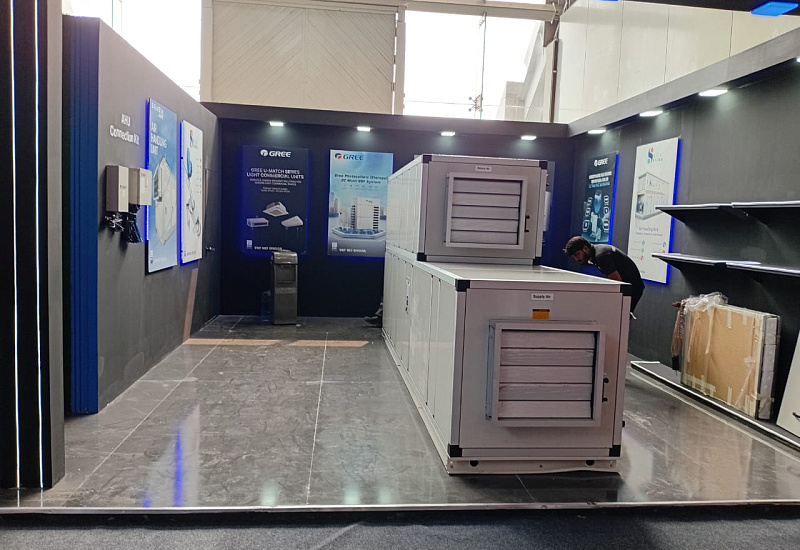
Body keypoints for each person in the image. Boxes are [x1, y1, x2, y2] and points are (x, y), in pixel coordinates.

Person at [563, 236, 645, 313]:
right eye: (573, 257)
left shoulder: (601, 256)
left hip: (631, 289)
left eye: (577, 254)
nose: (576, 259)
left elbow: (616, 281)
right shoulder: (597, 252)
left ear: (585, 248)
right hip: (629, 287)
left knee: (619, 317)